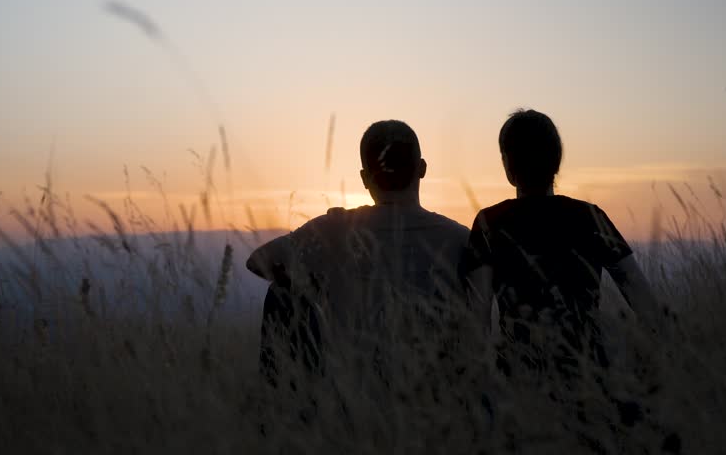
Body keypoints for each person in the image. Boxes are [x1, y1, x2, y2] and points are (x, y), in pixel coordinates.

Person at [247, 120, 471, 391]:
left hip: (353, 402)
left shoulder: (335, 229)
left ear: (365, 178)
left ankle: (278, 414)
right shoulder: (460, 238)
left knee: (281, 293)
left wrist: (313, 286)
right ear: (422, 169)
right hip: (440, 401)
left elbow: (259, 260)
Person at [460, 109, 665, 378]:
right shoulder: (590, 217)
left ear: (508, 165)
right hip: (589, 378)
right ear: (557, 162)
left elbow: (478, 321)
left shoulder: (491, 222)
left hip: (519, 381)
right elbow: (646, 304)